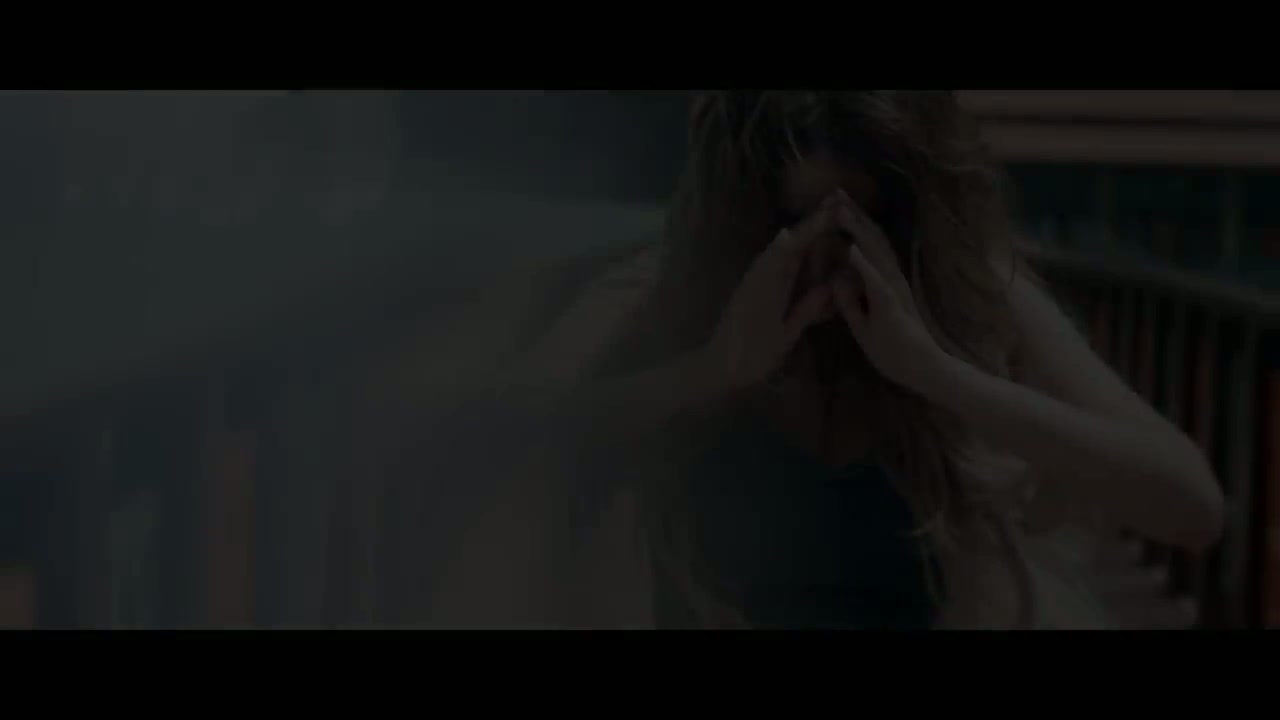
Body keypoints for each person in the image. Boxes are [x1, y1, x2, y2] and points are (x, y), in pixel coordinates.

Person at [423, 91, 1223, 629]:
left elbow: (1190, 504)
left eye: (862, 234)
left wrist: (941, 375)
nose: (831, 269)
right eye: (796, 229)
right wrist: (711, 369)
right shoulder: (673, 289)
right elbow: (472, 443)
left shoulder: (965, 291)